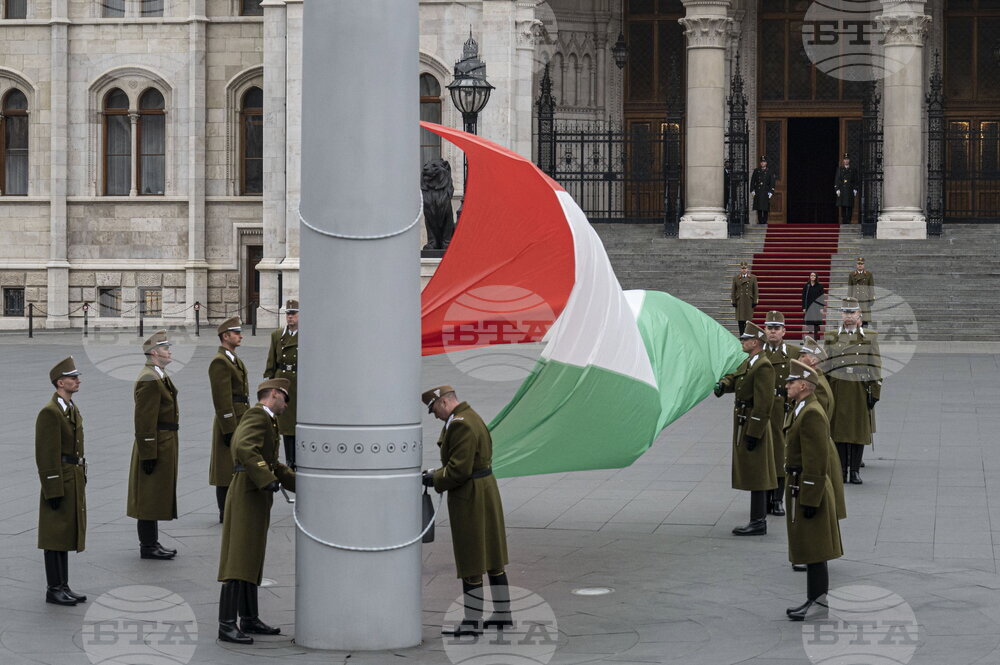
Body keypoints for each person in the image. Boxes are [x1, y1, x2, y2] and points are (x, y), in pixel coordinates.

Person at [422, 386, 511, 636]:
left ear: (443, 403)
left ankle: (472, 622)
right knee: (493, 556)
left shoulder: (460, 424)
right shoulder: (470, 416)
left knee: (471, 555)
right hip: (485, 491)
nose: (433, 415)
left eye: (433, 410)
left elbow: (459, 470)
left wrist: (434, 478)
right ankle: (503, 615)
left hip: (470, 495)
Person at [217, 378, 296, 645]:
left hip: (256, 493)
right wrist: (266, 477)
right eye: (285, 398)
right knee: (238, 558)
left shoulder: (268, 419)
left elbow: (273, 463)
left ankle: (249, 618)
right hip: (247, 493)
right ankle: (226, 624)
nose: (287, 404)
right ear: (274, 394)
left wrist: (303, 485)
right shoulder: (256, 415)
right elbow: (243, 448)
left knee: (251, 557)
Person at [783, 359, 843, 621]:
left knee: (816, 549)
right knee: (811, 547)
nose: (787, 385)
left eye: (791, 382)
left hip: (810, 489)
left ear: (804, 386)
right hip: (802, 486)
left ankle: (818, 602)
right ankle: (814, 599)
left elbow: (817, 460)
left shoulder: (811, 414)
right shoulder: (801, 408)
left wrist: (810, 497)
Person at [714, 323, 777, 536]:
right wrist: (723, 385)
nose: (742, 341)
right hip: (744, 421)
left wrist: (754, 432)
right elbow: (738, 378)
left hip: (752, 423)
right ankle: (757, 519)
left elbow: (763, 403)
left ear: (756, 342)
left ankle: (758, 521)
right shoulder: (751, 362)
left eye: (745, 339)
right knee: (752, 470)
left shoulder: (763, 366)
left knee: (757, 472)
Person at [792, 337, 847, 572]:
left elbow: (817, 424)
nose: (799, 357)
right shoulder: (817, 381)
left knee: (817, 510)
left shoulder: (818, 388)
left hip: (818, 451)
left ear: (813, 360)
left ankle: (817, 554)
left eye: (803, 355)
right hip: (819, 448)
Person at [36, 357, 87, 605]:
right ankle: (53, 588)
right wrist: (52, 488)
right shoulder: (50, 412)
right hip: (59, 480)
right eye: (72, 377)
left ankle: (63, 585)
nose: (77, 380)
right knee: (54, 535)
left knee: (65, 532)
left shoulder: (70, 407)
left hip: (72, 477)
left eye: (77, 377)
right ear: (60, 382)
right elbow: (46, 455)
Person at [126, 330, 180, 560]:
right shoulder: (149, 378)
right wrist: (148, 452)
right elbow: (144, 419)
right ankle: (147, 545)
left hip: (165, 441)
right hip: (155, 442)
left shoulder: (158, 374)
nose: (170, 351)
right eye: (166, 348)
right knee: (149, 495)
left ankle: (152, 541)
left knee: (156, 493)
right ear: (154, 352)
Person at [823, 298, 882, 485]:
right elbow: (826, 366)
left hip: (858, 387)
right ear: (841, 315)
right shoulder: (832, 336)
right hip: (838, 387)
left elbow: (875, 365)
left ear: (859, 315)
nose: (848, 316)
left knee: (858, 431)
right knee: (839, 431)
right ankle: (841, 469)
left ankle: (855, 471)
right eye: (845, 313)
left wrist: (874, 392)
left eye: (852, 313)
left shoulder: (869, 336)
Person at [209, 317, 250, 523]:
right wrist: (228, 427)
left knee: (234, 464)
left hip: (240, 416)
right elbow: (221, 398)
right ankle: (225, 511)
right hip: (230, 419)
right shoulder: (220, 361)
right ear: (226, 336)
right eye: (236, 333)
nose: (240, 336)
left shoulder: (233, 358)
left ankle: (234, 507)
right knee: (225, 468)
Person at [762, 311, 800, 517]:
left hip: (784, 410)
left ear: (784, 331)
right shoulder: (758, 353)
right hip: (764, 410)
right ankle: (763, 497)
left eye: (777, 328)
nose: (773, 332)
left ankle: (777, 499)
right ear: (764, 330)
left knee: (781, 455)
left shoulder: (794, 353)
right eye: (769, 328)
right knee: (764, 454)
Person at [264, 299, 299, 468]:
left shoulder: (305, 335)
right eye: (288, 314)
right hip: (283, 382)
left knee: (296, 423)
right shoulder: (278, 335)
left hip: (298, 382)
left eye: (293, 314)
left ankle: (297, 459)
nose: (290, 317)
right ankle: (289, 460)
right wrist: (270, 384)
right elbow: (272, 361)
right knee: (284, 425)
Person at [730, 261, 758, 336]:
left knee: (747, 320)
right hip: (740, 301)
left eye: (745, 268)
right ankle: (741, 335)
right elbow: (733, 290)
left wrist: (755, 300)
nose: (744, 270)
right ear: (740, 269)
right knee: (740, 320)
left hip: (749, 301)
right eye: (742, 268)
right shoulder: (736, 278)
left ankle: (747, 335)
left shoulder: (753, 278)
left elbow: (755, 290)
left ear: (747, 269)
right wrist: (733, 300)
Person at [847, 257, 875, 327]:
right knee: (855, 318)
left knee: (865, 318)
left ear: (864, 265)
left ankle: (864, 334)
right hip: (855, 298)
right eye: (858, 264)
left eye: (861, 264)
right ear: (856, 265)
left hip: (865, 298)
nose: (860, 265)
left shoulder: (868, 274)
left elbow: (871, 287)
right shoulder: (852, 274)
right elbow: (850, 288)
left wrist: (872, 298)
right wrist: (849, 299)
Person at [750, 155, 775, 225]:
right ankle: (760, 221)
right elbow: (753, 181)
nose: (762, 163)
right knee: (759, 207)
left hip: (766, 191)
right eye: (761, 162)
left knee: (765, 207)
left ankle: (764, 221)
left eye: (764, 162)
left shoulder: (769, 171)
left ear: (766, 163)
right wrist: (752, 190)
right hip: (758, 191)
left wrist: (771, 191)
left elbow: (772, 182)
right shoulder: (756, 171)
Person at [835, 153, 859, 225]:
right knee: (843, 206)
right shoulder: (840, 169)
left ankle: (849, 220)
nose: (846, 161)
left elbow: (855, 180)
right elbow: (837, 179)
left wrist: (855, 189)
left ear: (849, 160)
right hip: (842, 190)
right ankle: (844, 220)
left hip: (849, 190)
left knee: (849, 206)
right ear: (843, 160)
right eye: (845, 159)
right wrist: (837, 189)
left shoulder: (853, 170)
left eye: (847, 159)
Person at [801, 272, 826, 337]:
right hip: (809, 306)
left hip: (817, 306)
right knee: (809, 321)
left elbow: (822, 297)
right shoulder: (807, 286)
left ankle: (815, 337)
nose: (812, 277)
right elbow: (803, 297)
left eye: (814, 275)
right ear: (809, 277)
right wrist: (804, 307)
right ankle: (810, 334)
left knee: (816, 322)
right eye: (811, 275)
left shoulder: (820, 286)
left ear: (816, 277)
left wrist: (821, 308)